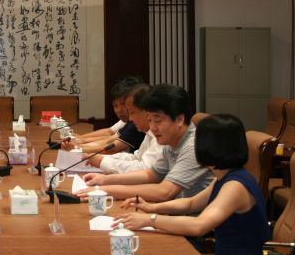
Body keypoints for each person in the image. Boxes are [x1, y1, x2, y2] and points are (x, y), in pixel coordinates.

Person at [118, 114, 270, 255]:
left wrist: (150, 220)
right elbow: (190, 203)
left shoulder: (235, 186)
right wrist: (151, 208)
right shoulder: (224, 176)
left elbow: (199, 226)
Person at [77, 84, 213, 202]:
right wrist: (104, 180)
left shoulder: (193, 146)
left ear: (179, 119)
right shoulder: (171, 141)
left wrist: (106, 190)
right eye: (150, 120)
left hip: (191, 219)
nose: (153, 127)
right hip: (174, 211)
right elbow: (150, 175)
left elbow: (164, 192)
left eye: (157, 120)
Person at [86, 84, 165, 174]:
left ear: (146, 112)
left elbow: (145, 170)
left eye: (132, 112)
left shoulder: (162, 135)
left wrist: (102, 162)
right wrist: (102, 158)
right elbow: (136, 157)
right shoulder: (149, 133)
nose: (130, 119)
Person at [62, 76, 145, 154]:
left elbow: (112, 147)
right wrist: (81, 141)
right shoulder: (130, 121)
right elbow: (110, 139)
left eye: (123, 104)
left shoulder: (135, 124)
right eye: (115, 106)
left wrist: (78, 147)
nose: (119, 110)